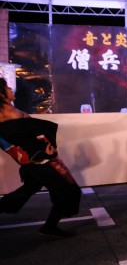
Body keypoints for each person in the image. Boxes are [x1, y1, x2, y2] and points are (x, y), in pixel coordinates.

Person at [0, 77, 82, 238]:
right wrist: (42, 151)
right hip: (38, 160)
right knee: (65, 189)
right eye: (7, 87)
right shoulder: (5, 112)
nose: (11, 89)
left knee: (31, 187)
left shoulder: (10, 110)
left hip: (36, 158)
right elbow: (19, 138)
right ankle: (49, 227)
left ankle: (49, 226)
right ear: (1, 93)